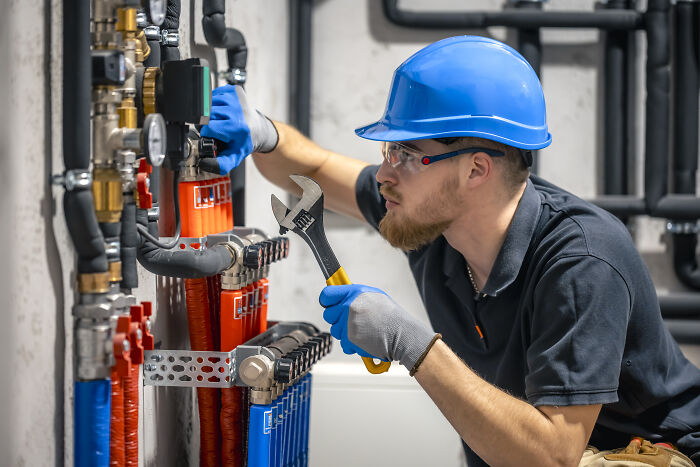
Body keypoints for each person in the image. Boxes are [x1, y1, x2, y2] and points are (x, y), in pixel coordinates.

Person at [201, 36, 700, 466]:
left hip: (650, 452)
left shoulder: (582, 263)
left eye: (406, 154)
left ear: (476, 170)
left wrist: (410, 343)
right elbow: (309, 167)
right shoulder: (428, 217)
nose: (384, 174)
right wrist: (264, 134)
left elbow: (552, 455)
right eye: (386, 152)